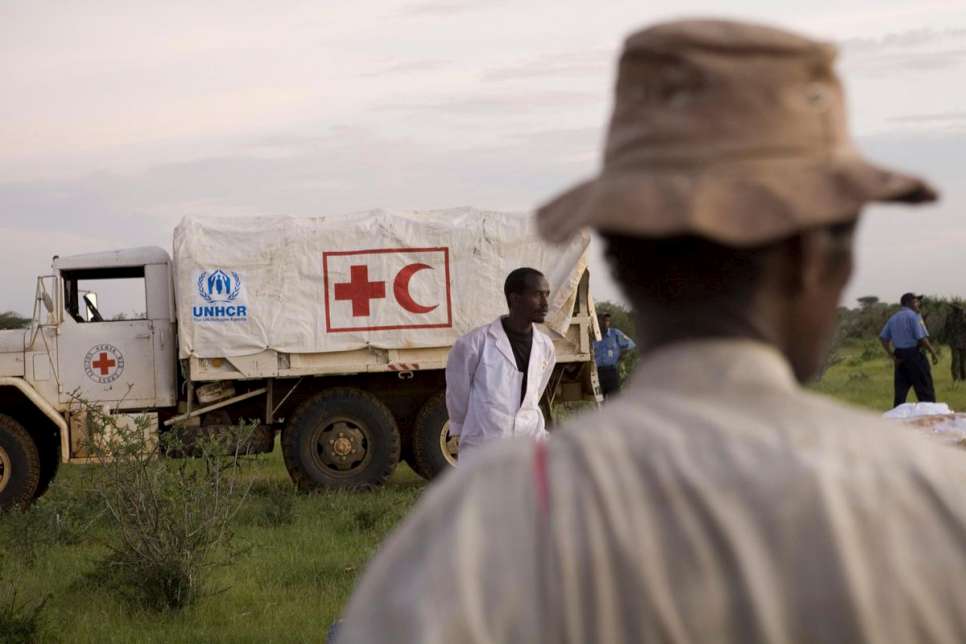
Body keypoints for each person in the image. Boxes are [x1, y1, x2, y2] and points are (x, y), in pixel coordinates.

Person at [338, 20, 966, 644]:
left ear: (624, 261)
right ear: (819, 263)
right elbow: (459, 398)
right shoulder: (935, 505)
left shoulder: (480, 523)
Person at [443, 267, 556, 464]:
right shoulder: (474, 344)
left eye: (547, 294)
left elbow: (534, 394)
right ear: (515, 298)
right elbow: (457, 395)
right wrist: (465, 430)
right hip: (484, 447)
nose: (546, 303)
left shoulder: (545, 346)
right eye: (537, 295)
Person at [879, 292, 938, 407]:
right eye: (916, 301)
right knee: (925, 390)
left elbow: (883, 338)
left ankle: (896, 419)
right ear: (908, 303)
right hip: (914, 355)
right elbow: (921, 339)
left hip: (899, 356)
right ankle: (930, 417)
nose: (918, 304)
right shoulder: (913, 316)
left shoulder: (893, 318)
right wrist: (933, 352)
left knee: (900, 393)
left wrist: (893, 357)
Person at [593, 312, 636, 398]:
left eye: (607, 320)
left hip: (611, 372)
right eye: (603, 320)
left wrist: (622, 355)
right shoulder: (592, 336)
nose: (606, 323)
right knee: (600, 401)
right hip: (597, 373)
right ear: (597, 322)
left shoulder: (615, 333)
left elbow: (630, 344)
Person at [945, 304, 966, 381]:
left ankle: (962, 377)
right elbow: (946, 328)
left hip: (962, 341)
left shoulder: (963, 316)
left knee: (962, 361)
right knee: (956, 360)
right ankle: (956, 377)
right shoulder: (950, 316)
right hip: (955, 341)